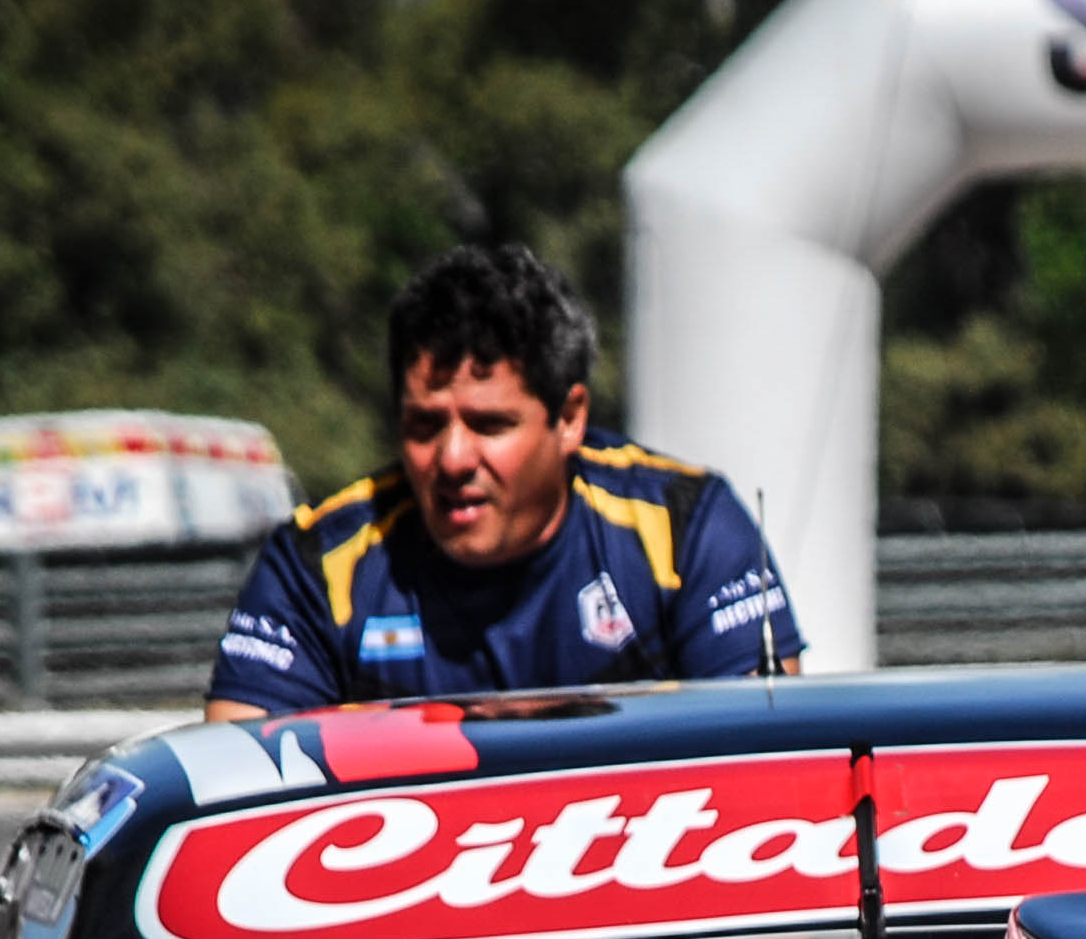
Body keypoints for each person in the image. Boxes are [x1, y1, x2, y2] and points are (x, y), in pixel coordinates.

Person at [206, 246, 800, 717]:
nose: (453, 458)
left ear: (568, 420)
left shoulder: (685, 527)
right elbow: (233, 777)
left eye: (490, 424)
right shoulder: (314, 564)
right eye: (424, 425)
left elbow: (774, 758)